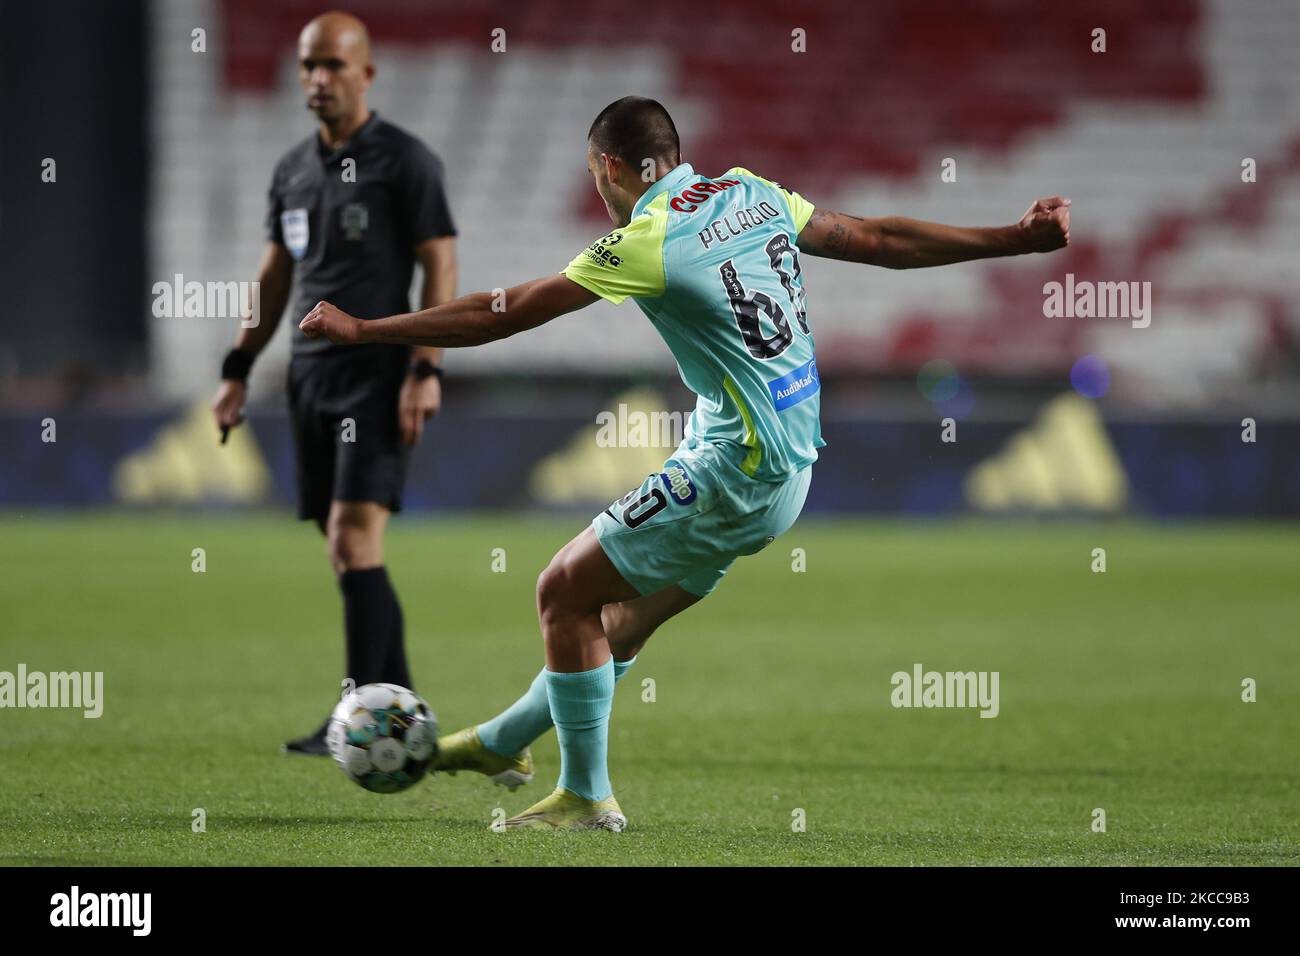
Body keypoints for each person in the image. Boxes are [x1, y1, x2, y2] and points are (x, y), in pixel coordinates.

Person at [299, 95, 1069, 826]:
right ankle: (505, 740)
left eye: (594, 176)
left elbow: (503, 313)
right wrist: (1013, 237)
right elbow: (875, 239)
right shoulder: (750, 192)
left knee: (561, 591)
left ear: (609, 168)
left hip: (738, 472)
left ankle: (585, 797)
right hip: (791, 468)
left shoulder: (647, 238)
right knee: (617, 623)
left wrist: (368, 331)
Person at [212, 11, 458, 755]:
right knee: (343, 546)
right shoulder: (291, 170)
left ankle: (355, 715)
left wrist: (423, 369)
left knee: (355, 539)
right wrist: (236, 367)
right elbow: (274, 276)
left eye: (333, 66)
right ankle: (406, 715)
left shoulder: (406, 161)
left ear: (366, 74)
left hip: (378, 372)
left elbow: (440, 266)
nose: (318, 79)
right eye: (308, 66)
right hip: (308, 376)